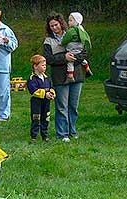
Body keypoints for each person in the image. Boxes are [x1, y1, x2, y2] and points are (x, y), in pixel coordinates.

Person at [43, 12, 86, 142]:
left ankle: (72, 131)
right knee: (62, 106)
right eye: (51, 26)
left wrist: (74, 59)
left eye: (56, 25)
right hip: (59, 78)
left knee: (73, 106)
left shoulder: (74, 33)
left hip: (77, 75)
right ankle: (62, 134)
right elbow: (49, 59)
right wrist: (64, 57)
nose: (54, 28)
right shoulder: (48, 41)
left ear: (61, 23)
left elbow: (84, 52)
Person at [26, 55, 55, 143]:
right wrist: (44, 94)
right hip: (36, 102)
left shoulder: (47, 78)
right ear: (35, 66)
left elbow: (51, 87)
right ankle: (34, 136)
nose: (45, 67)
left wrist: (52, 93)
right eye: (42, 65)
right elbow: (34, 91)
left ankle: (45, 135)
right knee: (36, 118)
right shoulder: (32, 79)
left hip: (46, 102)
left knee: (46, 117)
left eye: (45, 65)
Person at [61, 12, 92, 82]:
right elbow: (86, 38)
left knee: (70, 62)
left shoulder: (71, 30)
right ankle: (87, 68)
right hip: (80, 49)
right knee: (82, 60)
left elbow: (66, 38)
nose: (69, 22)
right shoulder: (82, 29)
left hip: (72, 49)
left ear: (76, 21)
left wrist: (62, 43)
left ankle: (70, 76)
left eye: (71, 20)